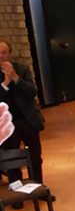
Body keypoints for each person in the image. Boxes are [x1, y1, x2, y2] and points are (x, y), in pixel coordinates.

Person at [0, 40, 44, 185]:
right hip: (7, 123)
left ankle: (37, 187)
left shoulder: (22, 69)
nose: (1, 56)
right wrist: (5, 83)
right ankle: (17, 192)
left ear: (9, 54)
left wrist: (14, 77)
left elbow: (31, 92)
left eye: (4, 52)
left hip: (27, 120)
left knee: (35, 157)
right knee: (12, 160)